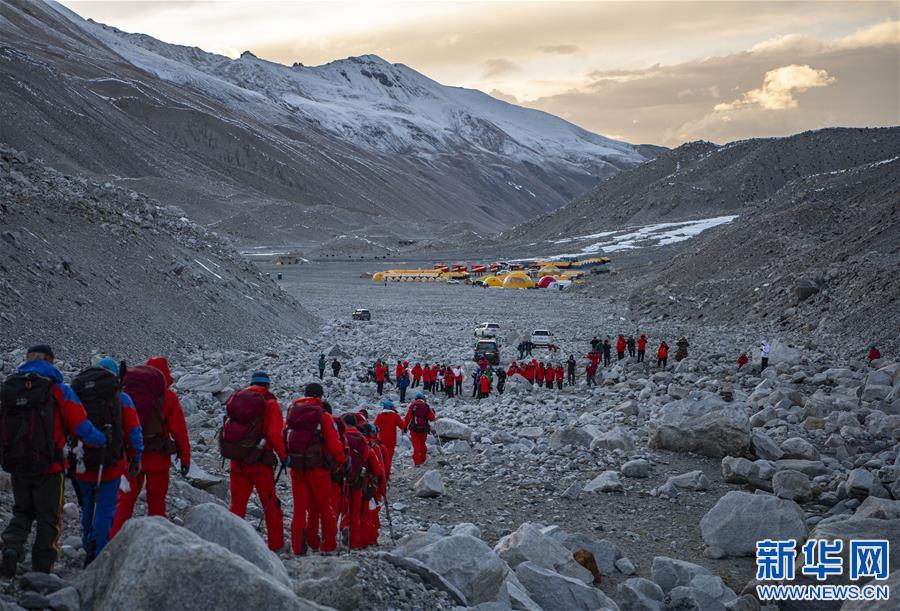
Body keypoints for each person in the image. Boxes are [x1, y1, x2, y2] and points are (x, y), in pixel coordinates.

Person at [1, 345, 107, 576]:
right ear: (50, 361)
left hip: (18, 464)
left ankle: (11, 547)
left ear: (27, 359)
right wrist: (101, 440)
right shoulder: (58, 389)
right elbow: (81, 426)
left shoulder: (11, 387)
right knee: (49, 518)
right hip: (50, 466)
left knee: (22, 511)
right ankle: (43, 570)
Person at [72, 358, 144, 564]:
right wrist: (136, 457)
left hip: (82, 461)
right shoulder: (121, 397)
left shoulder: (79, 393)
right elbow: (134, 431)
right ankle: (98, 553)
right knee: (105, 508)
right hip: (111, 463)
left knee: (87, 505)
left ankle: (87, 542)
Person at [111, 357, 190, 537]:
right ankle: (156, 541)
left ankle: (113, 540)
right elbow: (180, 431)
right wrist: (185, 458)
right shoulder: (168, 396)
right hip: (158, 458)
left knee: (125, 501)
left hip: (131, 456)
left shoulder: (127, 393)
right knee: (156, 502)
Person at [221, 371, 285, 553]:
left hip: (237, 458)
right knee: (270, 504)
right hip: (260, 461)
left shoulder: (237, 399)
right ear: (267, 385)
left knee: (237, 504)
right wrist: (284, 456)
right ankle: (276, 546)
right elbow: (274, 434)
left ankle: (232, 546)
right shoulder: (270, 404)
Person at [284, 383, 345, 555]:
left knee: (299, 510)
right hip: (318, 468)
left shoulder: (292, 411)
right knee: (325, 506)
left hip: (297, 467)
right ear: (320, 396)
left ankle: (298, 548)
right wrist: (341, 460)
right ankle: (328, 545)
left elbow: (285, 434)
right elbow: (334, 444)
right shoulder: (323, 415)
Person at [340, 415, 374, 549]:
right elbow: (365, 456)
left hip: (341, 478)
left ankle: (339, 531)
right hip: (357, 479)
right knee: (356, 511)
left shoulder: (341, 436)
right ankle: (354, 543)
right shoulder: (362, 438)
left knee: (341, 507)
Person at [359, 424, 386, 548]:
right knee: (371, 513)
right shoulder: (376, 447)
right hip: (370, 486)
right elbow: (381, 470)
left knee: (354, 512)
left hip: (352, 483)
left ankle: (354, 539)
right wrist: (383, 487)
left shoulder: (350, 443)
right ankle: (370, 539)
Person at [373, 400, 405, 480]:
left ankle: (381, 475)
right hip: (391, 441)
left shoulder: (380, 415)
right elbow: (402, 426)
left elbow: (374, 427)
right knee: (388, 460)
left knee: (381, 458)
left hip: (381, 441)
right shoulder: (395, 415)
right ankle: (386, 477)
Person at [403, 393, 435, 466]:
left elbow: (408, 417)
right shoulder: (426, 406)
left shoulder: (413, 406)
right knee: (422, 444)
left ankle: (417, 462)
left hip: (414, 429)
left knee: (416, 446)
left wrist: (404, 427)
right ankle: (423, 460)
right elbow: (432, 418)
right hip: (424, 429)